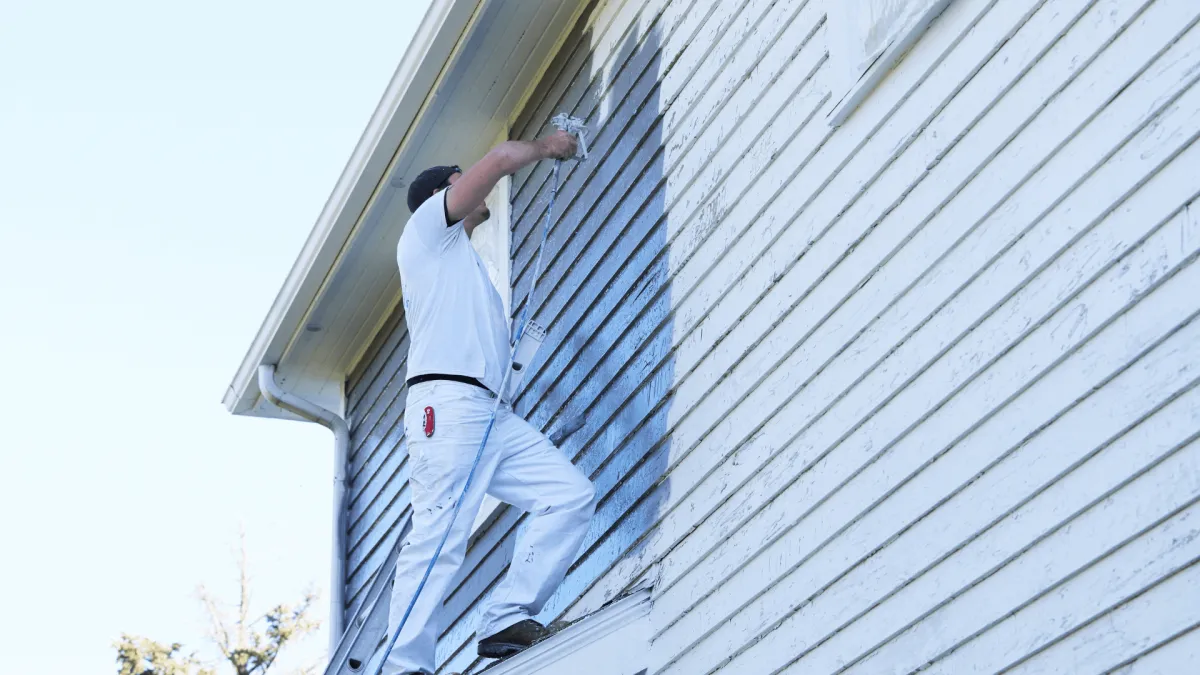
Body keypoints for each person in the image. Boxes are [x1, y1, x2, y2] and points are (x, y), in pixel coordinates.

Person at [385, 129, 596, 675]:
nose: (475, 190)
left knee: (568, 495)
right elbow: (501, 159)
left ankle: (506, 618)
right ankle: (403, 665)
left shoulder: (467, 267)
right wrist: (550, 146)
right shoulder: (426, 233)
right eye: (461, 182)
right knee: (440, 536)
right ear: (445, 194)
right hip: (448, 406)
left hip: (491, 416)